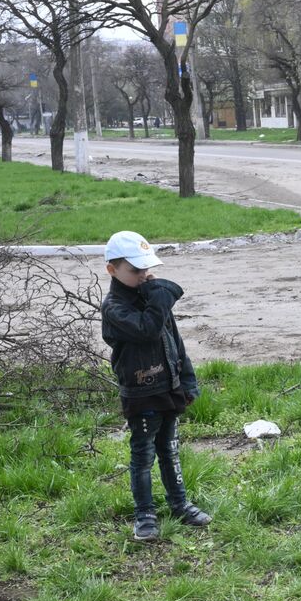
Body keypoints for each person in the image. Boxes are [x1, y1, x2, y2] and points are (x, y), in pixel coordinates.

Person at [101, 231, 210, 542]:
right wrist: (162, 294)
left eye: (146, 269)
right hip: (140, 393)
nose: (144, 276)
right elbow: (147, 330)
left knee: (170, 450)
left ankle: (179, 503)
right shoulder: (114, 308)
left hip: (168, 388)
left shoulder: (153, 299)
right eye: (135, 271)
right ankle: (145, 514)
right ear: (112, 270)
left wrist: (186, 380)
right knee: (143, 455)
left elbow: (174, 342)